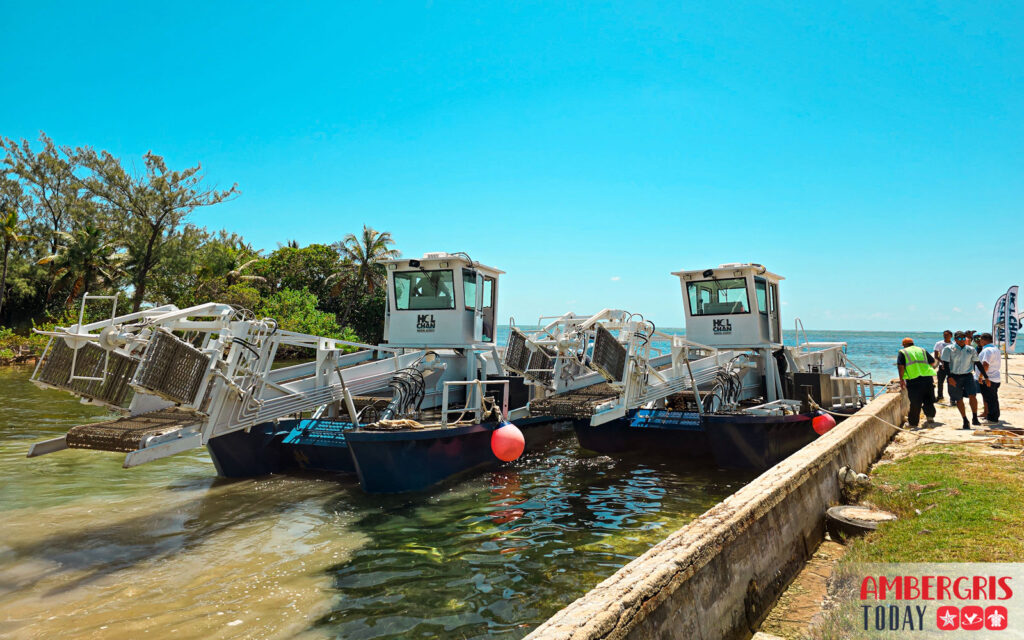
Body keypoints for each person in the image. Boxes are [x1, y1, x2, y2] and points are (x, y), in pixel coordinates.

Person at [942, 331, 982, 429]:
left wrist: (985, 376)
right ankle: (965, 419)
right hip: (954, 376)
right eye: (959, 339)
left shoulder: (970, 349)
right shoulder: (948, 349)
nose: (962, 341)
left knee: (973, 395)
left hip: (968, 376)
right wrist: (950, 377)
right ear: (955, 339)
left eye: (963, 339)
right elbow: (946, 364)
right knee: (959, 399)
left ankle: (975, 417)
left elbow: (977, 363)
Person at [896, 338, 938, 428]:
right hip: (927, 378)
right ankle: (930, 417)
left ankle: (913, 423)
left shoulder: (903, 352)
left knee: (915, 402)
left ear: (904, 345)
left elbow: (901, 366)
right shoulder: (921, 350)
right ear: (913, 343)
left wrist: (901, 379)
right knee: (928, 399)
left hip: (914, 380)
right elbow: (932, 362)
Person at [977, 333, 1001, 423]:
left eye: (980, 340)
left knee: (990, 399)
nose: (979, 342)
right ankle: (993, 416)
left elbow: (985, 364)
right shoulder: (996, 349)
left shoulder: (987, 350)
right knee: (993, 398)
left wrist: (981, 376)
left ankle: (992, 418)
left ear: (983, 340)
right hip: (995, 377)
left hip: (989, 378)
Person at [932, 330, 952, 402]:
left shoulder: (953, 344)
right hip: (942, 365)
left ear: (951, 336)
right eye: (944, 335)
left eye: (947, 335)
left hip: (951, 366)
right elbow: (936, 356)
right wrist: (942, 362)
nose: (945, 336)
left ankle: (952, 398)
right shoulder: (939, 343)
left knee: (951, 382)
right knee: (940, 382)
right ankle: (940, 396)